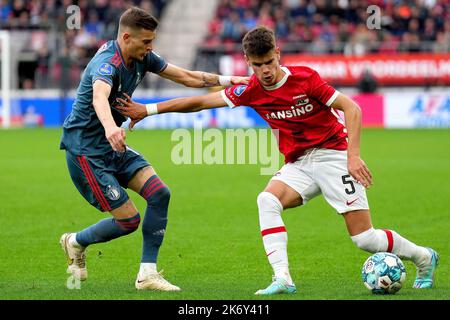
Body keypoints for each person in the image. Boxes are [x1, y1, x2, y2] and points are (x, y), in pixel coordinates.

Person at [116, 26, 439, 295]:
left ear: (278, 54)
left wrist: (353, 156)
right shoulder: (253, 90)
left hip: (334, 155)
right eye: (258, 65)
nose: (265, 71)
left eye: (269, 62)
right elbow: (201, 102)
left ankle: (425, 257)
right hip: (300, 163)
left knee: (364, 239)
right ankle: (282, 278)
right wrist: (149, 109)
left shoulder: (305, 79)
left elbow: (351, 108)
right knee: (267, 200)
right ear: (248, 62)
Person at [59, 7, 248, 292]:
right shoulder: (106, 64)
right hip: (87, 152)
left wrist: (225, 80)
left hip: (112, 146)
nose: (151, 47)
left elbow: (186, 77)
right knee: (129, 221)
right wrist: (111, 128)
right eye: (146, 42)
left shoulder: (142, 57)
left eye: (152, 41)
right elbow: (100, 97)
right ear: (126, 37)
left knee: (160, 193)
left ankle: (147, 275)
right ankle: (75, 241)